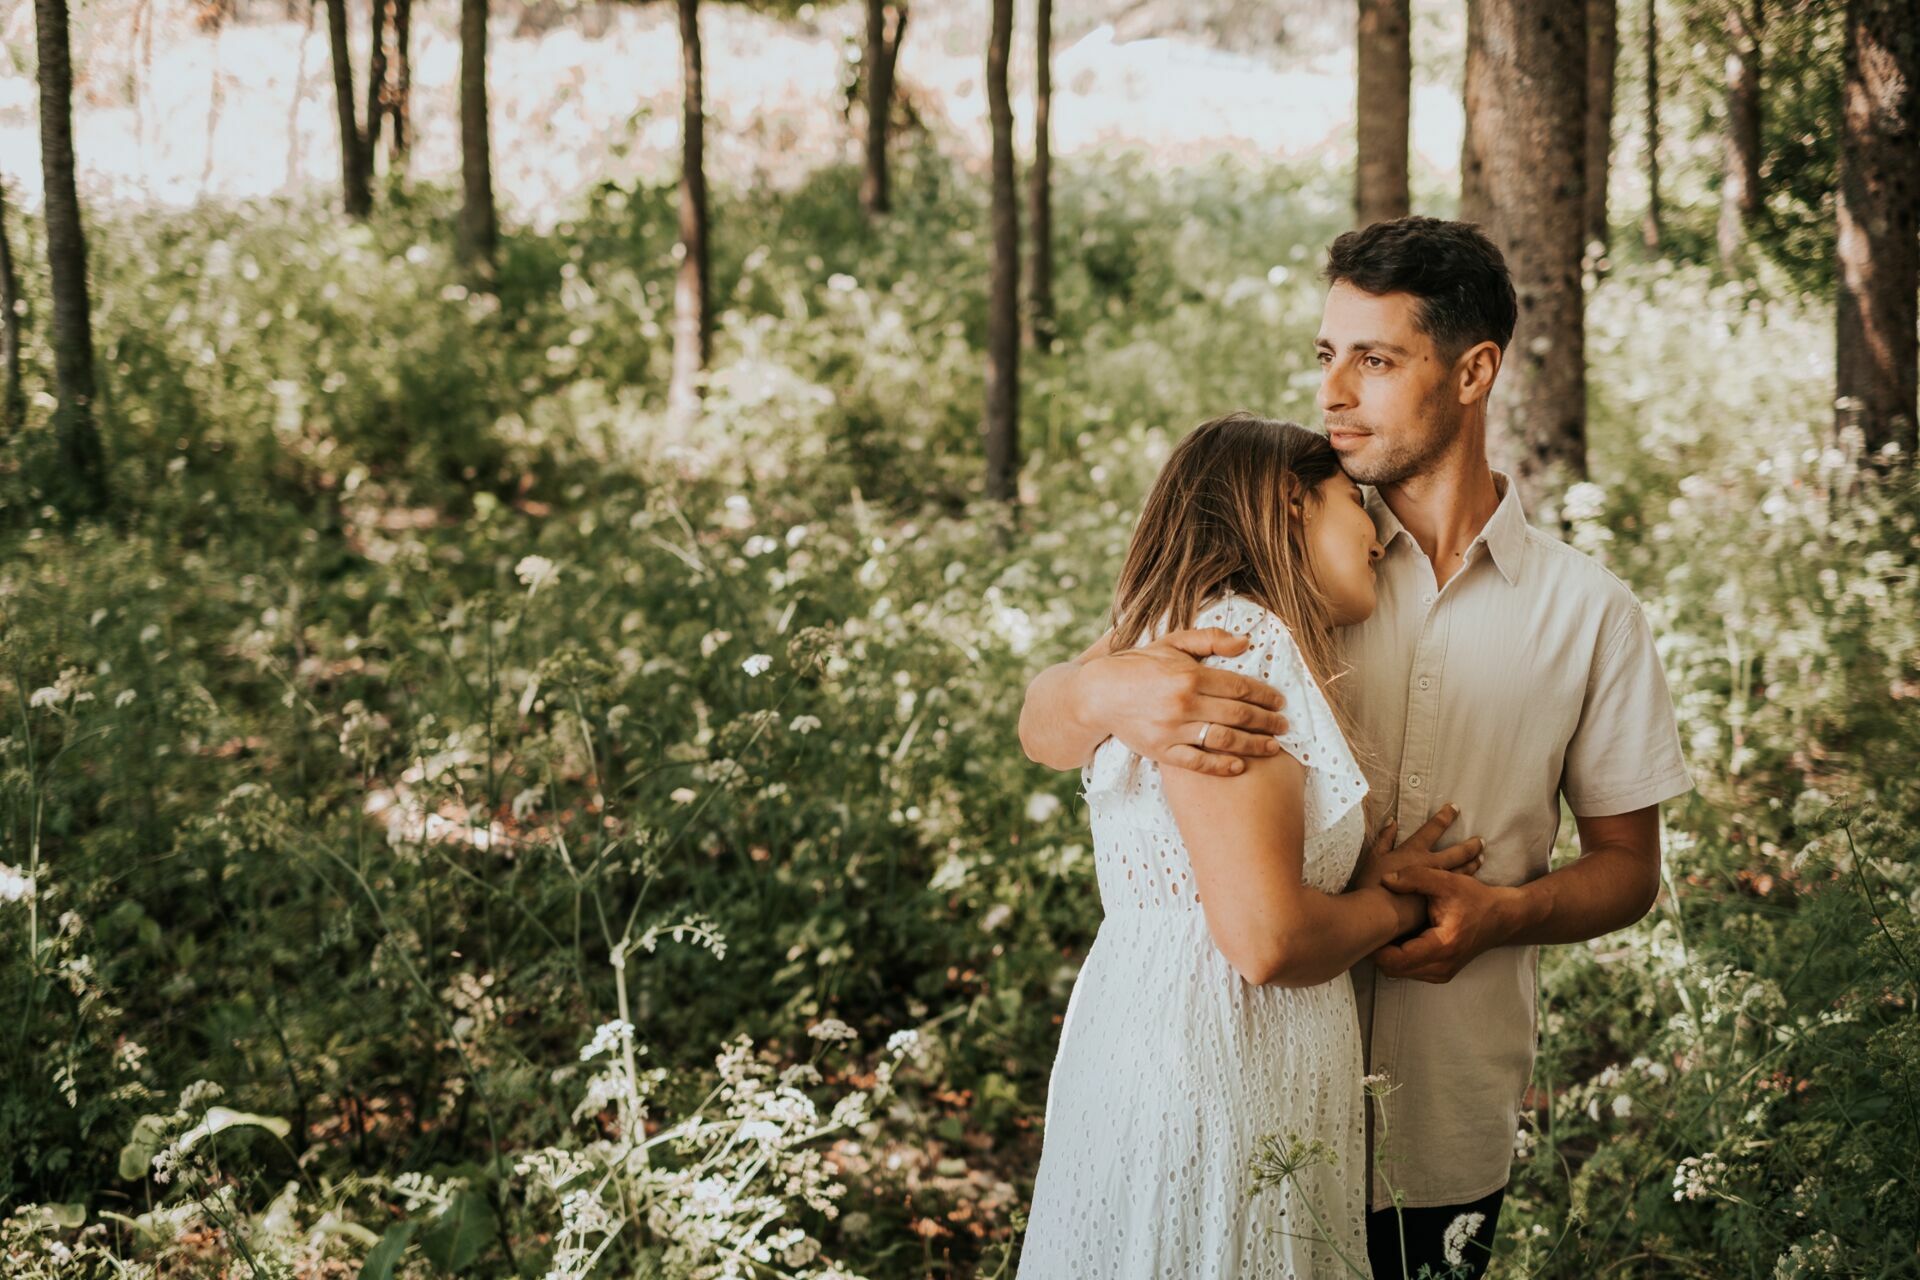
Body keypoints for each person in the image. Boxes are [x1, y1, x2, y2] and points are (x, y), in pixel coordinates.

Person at [1018, 217, 1695, 1279]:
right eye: (1326, 355)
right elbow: (1047, 722)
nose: (1334, 392)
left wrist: (1504, 912)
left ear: (1475, 371)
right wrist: (1099, 684)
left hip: (1442, 1113)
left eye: (1375, 360)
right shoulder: (1284, 563)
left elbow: (1629, 868)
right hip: (1239, 1097)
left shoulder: (1589, 612)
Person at [1015, 411, 1489, 1279]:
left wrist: (1359, 876)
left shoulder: (1181, 628)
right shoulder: (1242, 645)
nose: (1378, 534)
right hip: (1218, 1067)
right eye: (1354, 502)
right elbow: (1267, 941)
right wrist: (1395, 907)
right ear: (1287, 500)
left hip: (1151, 1044)